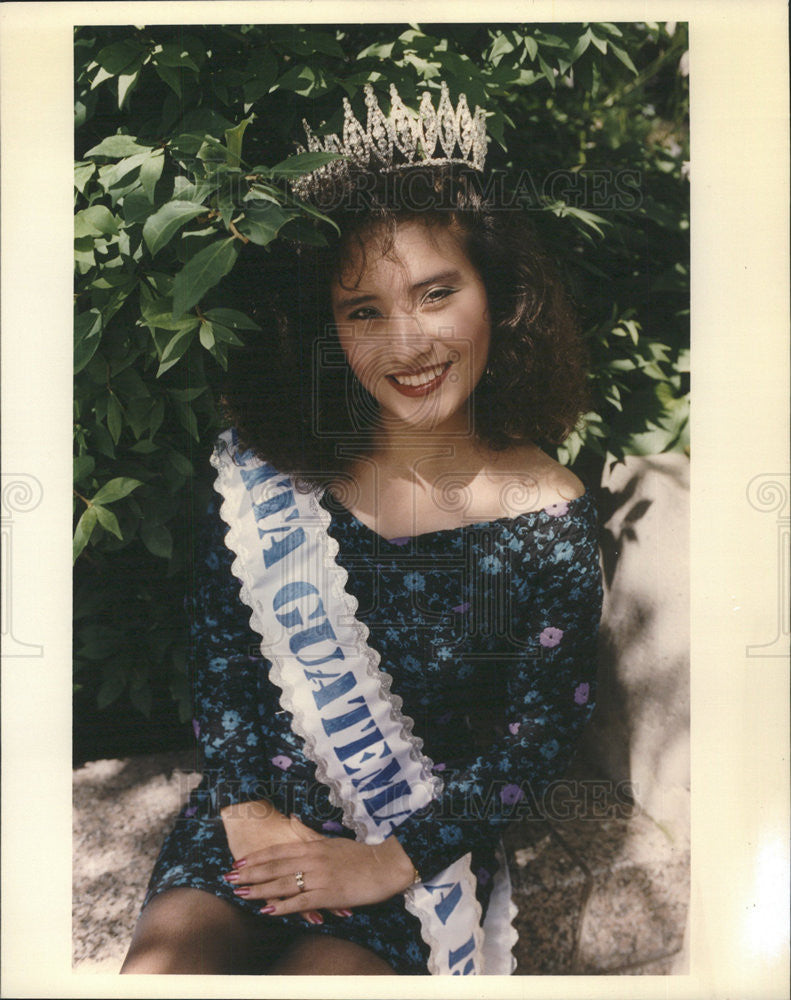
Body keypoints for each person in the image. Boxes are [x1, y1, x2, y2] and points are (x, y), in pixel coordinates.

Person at [121, 82, 603, 976]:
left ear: (497, 294)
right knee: (166, 968)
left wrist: (386, 860)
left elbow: (532, 739)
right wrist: (246, 810)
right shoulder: (279, 463)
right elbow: (222, 652)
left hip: (413, 847)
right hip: (257, 816)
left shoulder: (548, 518)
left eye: (435, 293)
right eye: (363, 312)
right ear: (329, 331)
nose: (406, 344)